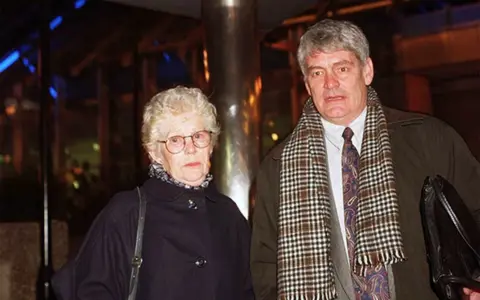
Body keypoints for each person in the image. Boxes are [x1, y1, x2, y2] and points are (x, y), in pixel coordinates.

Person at [250, 19, 480, 300]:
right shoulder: (279, 166)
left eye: (342, 68)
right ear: (307, 85)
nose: (330, 84)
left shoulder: (429, 139)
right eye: (318, 73)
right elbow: (265, 267)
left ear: (367, 71)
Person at [54, 86, 254, 300]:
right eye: (176, 140)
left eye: (199, 136)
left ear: (211, 144)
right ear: (155, 153)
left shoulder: (229, 215)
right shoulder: (126, 213)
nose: (190, 148)